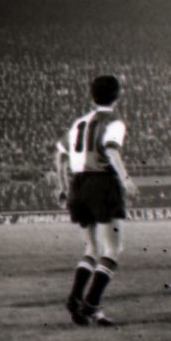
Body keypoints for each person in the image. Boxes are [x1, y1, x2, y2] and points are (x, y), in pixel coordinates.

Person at [55, 75, 139, 327]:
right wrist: (125, 180)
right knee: (113, 249)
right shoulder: (114, 122)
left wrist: (61, 185)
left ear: (91, 96)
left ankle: (76, 299)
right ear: (118, 95)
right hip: (102, 183)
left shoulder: (79, 122)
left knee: (92, 249)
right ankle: (90, 305)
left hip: (78, 184)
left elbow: (59, 156)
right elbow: (112, 149)